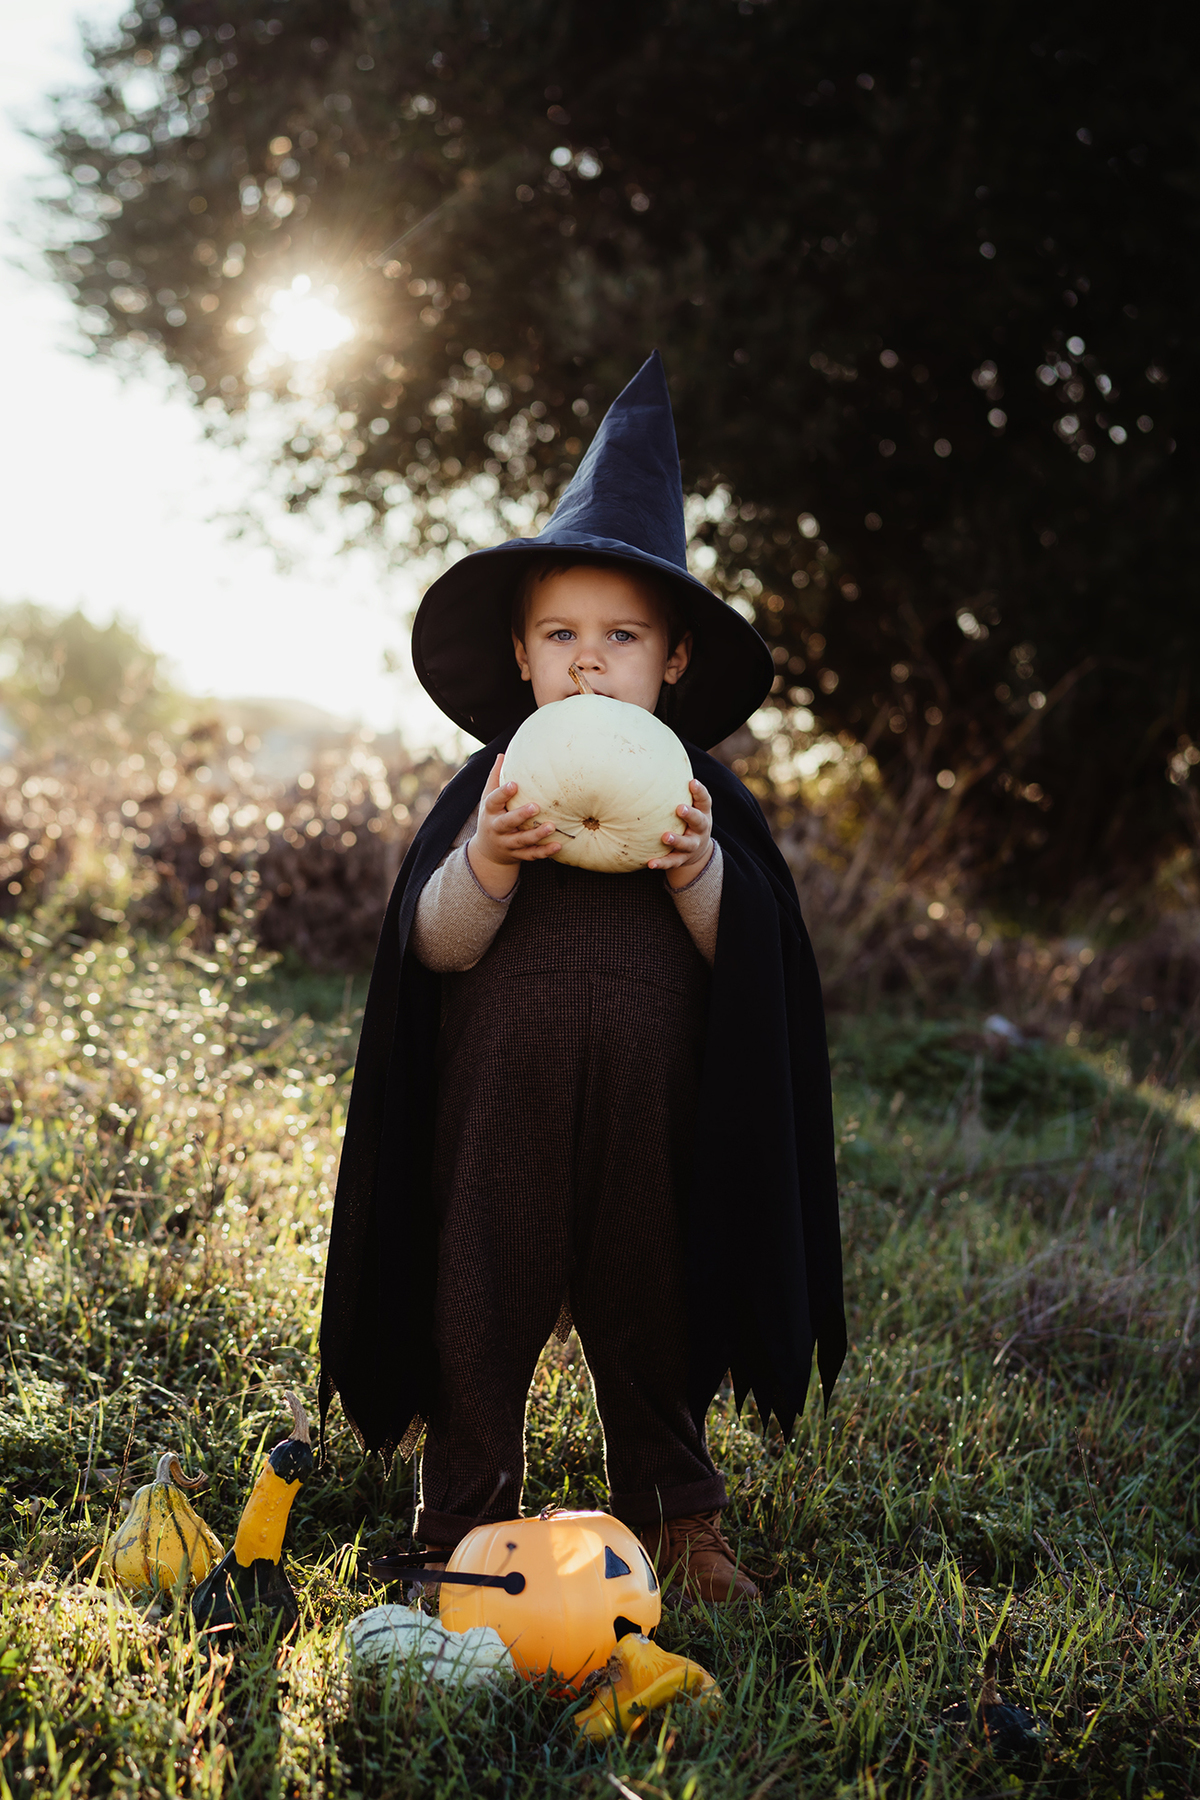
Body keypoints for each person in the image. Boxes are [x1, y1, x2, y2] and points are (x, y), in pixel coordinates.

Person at [318, 352, 845, 1603]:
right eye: (562, 634)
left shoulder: (704, 806)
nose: (590, 662)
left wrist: (696, 875)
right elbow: (431, 947)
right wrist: (489, 864)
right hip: (498, 1116)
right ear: (519, 654)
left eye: (623, 637)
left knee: (656, 1307)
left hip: (653, 1123)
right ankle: (460, 1523)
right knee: (476, 1304)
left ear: (672, 663)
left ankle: (680, 1519)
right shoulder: (493, 791)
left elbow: (752, 971)